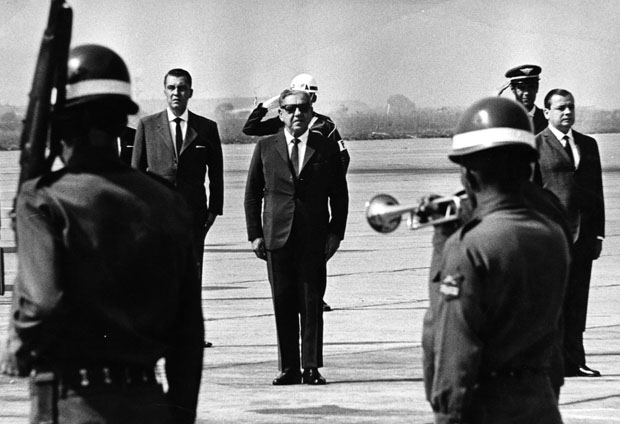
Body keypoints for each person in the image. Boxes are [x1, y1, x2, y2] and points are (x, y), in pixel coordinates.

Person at [0, 45, 204, 424]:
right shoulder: (167, 202)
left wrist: (19, 342)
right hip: (148, 401)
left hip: (73, 403)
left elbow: (42, 302)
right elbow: (188, 334)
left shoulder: (44, 200)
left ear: (63, 125)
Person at [422, 97, 569, 423]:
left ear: (469, 173)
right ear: (528, 166)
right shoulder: (552, 234)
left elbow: (453, 345)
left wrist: (447, 413)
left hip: (486, 408)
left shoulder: (470, 246)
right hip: (541, 404)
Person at [244, 89, 348, 386]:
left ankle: (311, 367)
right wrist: (254, 234)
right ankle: (289, 367)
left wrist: (335, 234)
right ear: (281, 114)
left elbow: (339, 196)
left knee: (312, 304)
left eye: (303, 108)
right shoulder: (265, 147)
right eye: (290, 109)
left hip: (314, 239)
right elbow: (252, 195)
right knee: (283, 303)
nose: (297, 114)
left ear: (311, 110)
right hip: (277, 237)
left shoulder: (325, 147)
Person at [132, 68, 223, 348]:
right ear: (164, 91)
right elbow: (135, 173)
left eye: (182, 88)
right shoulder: (147, 126)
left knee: (192, 272)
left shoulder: (206, 128)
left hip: (193, 215)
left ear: (190, 93)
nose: (176, 93)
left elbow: (216, 174)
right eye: (171, 88)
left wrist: (213, 211)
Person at [533, 88, 605, 378]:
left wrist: (598, 234)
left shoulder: (588, 145)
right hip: (551, 238)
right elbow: (531, 191)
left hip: (583, 237)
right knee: (553, 301)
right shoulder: (536, 145)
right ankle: (551, 361)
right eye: (561, 108)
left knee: (578, 299)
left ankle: (576, 360)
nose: (567, 113)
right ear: (547, 112)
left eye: (571, 107)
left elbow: (596, 192)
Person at [502, 64, 548, 134]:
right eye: (521, 88)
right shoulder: (506, 119)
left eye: (531, 87)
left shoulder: (547, 119)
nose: (526, 92)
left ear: (537, 88)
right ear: (512, 89)